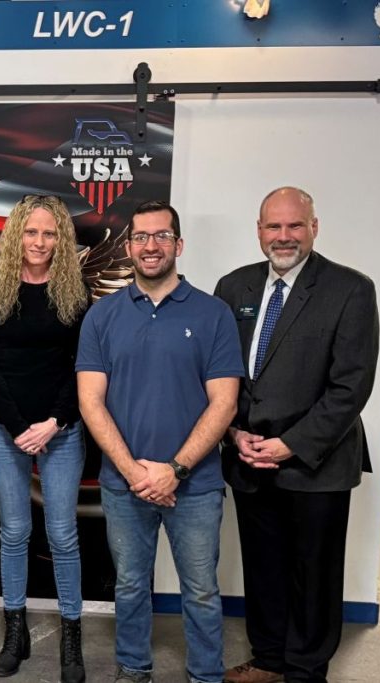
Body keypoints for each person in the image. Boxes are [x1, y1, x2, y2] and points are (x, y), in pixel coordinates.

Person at [214, 187, 379, 683]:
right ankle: (269, 660)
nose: (283, 236)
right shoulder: (234, 287)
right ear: (259, 231)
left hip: (316, 462)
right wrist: (233, 434)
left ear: (314, 227)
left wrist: (292, 444)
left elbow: (350, 386)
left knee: (314, 574)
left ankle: (306, 671)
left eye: (294, 226)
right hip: (248, 457)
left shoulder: (350, 289)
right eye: (273, 226)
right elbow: (221, 373)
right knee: (263, 568)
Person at [76, 200, 244, 683]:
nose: (151, 246)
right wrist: (134, 472)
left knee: (202, 590)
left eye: (162, 236)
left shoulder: (213, 314)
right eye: (142, 237)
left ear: (179, 244)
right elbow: (91, 402)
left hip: (197, 484)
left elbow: (225, 403)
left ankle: (205, 675)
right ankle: (133, 668)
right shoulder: (102, 316)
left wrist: (175, 470)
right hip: (123, 484)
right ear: (129, 246)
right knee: (130, 586)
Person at [0, 195, 90, 683]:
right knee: (15, 532)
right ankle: (15, 632)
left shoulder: (76, 293)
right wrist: (19, 425)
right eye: (31, 232)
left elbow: (82, 367)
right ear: (15, 235)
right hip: (4, 430)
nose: (39, 242)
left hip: (61, 431)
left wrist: (54, 422)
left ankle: (71, 638)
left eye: (49, 233)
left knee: (62, 535)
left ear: (61, 239)